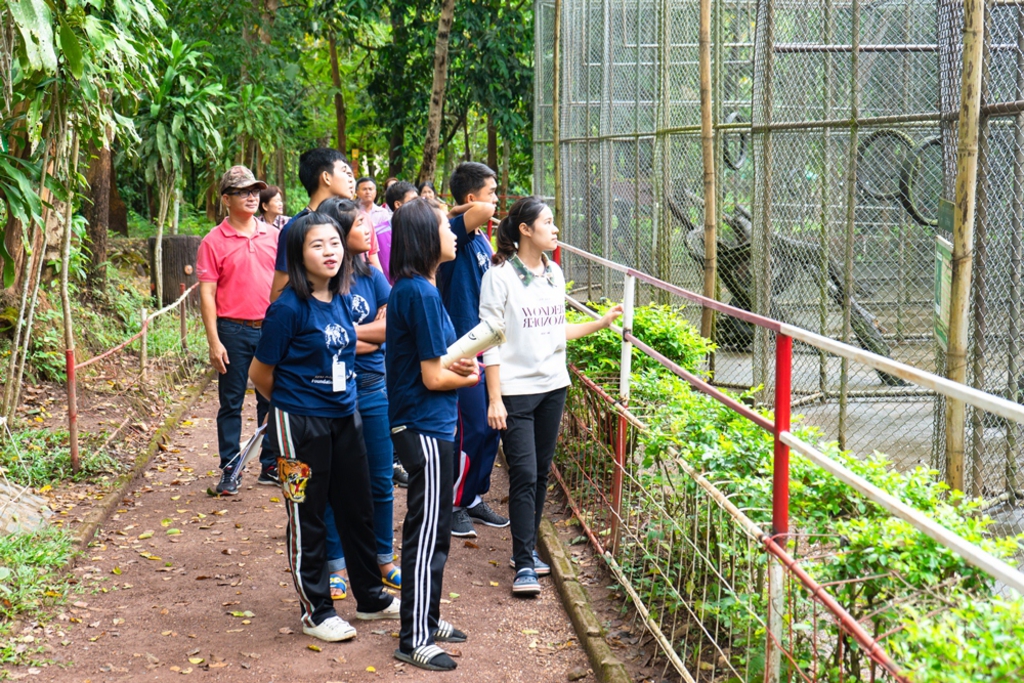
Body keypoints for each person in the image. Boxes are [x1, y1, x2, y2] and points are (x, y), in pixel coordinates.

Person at [249, 211, 399, 642]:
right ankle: (316, 611)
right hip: (300, 424)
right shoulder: (286, 309)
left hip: (346, 416)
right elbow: (260, 374)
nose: (330, 252)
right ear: (298, 255)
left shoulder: (341, 297)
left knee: (357, 509)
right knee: (307, 514)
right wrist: (295, 403)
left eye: (334, 243)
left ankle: (371, 598)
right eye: (318, 245)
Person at [479, 197, 622, 596]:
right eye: (548, 222)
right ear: (525, 229)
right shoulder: (500, 276)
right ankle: (524, 565)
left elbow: (556, 330)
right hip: (515, 392)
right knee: (524, 473)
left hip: (553, 387)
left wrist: (600, 323)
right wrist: (495, 398)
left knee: (541, 472)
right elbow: (490, 341)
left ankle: (523, 550)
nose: (556, 229)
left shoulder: (554, 272)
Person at [387, 198, 477, 671]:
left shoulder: (421, 288)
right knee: (425, 532)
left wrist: (458, 367)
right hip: (423, 425)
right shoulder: (418, 293)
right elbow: (433, 376)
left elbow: (436, 362)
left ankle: (428, 617)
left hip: (431, 424)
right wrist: (471, 376)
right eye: (446, 226)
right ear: (425, 236)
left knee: (437, 528)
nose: (454, 233)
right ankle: (414, 638)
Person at [316, 197, 401, 600]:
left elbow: (390, 328)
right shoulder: (321, 281)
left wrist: (347, 335)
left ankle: (383, 560)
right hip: (331, 392)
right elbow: (321, 337)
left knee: (381, 480)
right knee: (333, 484)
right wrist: (364, 335)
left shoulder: (372, 274)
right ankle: (335, 566)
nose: (368, 230)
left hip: (373, 388)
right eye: (358, 225)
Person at [195, 166, 278, 495]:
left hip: (271, 328)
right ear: (226, 199)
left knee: (272, 398)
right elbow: (207, 294)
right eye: (243, 192)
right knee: (231, 402)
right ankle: (231, 468)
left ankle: (270, 464)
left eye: (255, 191)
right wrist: (214, 341)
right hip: (232, 330)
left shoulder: (274, 235)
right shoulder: (213, 241)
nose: (252, 197)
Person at [435, 162, 507, 538]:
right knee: (471, 427)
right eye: (491, 192)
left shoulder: (479, 238)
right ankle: (452, 502)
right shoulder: (455, 233)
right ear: (470, 198)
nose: (496, 199)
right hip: (463, 346)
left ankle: (473, 496)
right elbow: (481, 210)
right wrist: (457, 209)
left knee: (491, 428)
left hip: (488, 345)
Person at [271, 148, 356, 302]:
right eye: (345, 172)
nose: (352, 180)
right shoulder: (295, 228)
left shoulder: (349, 222)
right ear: (326, 177)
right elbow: (278, 295)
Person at [375, 181, 418, 285]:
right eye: (413, 201)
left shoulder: (420, 229)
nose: (419, 205)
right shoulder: (378, 234)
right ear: (398, 204)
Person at [355, 177, 386, 272]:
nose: (368, 192)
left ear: (375, 192)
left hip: (380, 254)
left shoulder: (383, 213)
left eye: (370, 189)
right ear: (357, 192)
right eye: (364, 189)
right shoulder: (352, 213)